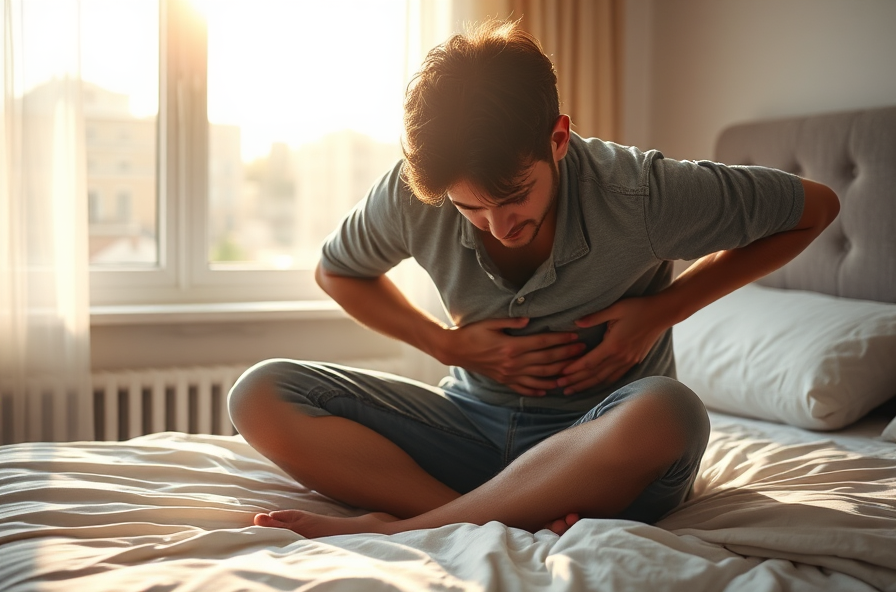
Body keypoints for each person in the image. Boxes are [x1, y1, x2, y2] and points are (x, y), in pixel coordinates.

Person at [228, 19, 839, 539]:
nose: (497, 226)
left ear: (559, 138)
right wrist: (442, 343)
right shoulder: (416, 191)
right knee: (258, 393)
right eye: (471, 208)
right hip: (469, 428)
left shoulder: (642, 194)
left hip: (598, 447)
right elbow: (337, 271)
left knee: (672, 411)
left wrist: (665, 308)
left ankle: (406, 529)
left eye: (515, 197)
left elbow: (815, 209)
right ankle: (469, 514)